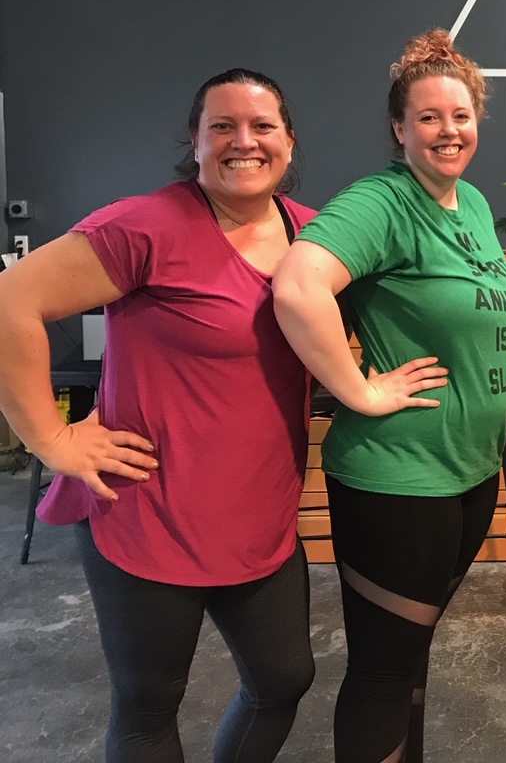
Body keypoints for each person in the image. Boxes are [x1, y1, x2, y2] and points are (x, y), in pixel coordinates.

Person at [0, 69, 318, 763]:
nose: (244, 142)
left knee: (285, 679)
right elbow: (10, 301)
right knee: (149, 709)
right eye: (222, 127)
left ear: (289, 144)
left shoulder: (313, 237)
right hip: (146, 515)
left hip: (259, 519)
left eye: (262, 126)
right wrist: (49, 439)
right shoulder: (147, 225)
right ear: (195, 143)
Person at [272, 29, 506, 763]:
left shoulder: (470, 202)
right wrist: (357, 389)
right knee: (384, 674)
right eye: (429, 117)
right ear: (399, 127)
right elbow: (297, 285)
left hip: (467, 476)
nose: (449, 131)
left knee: (409, 665)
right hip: (398, 480)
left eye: (461, 115)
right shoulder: (381, 200)